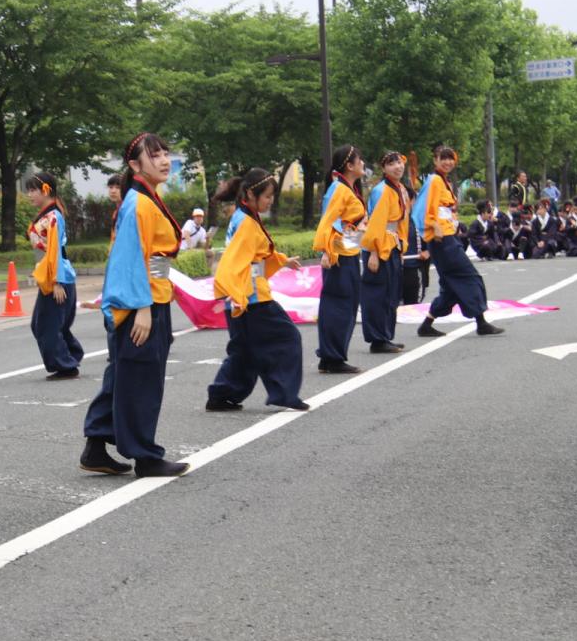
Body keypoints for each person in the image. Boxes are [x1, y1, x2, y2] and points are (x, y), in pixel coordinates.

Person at [80, 132, 188, 479]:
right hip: (142, 303)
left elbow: (151, 257)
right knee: (141, 378)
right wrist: (142, 306)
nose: (163, 160)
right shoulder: (139, 203)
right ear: (134, 163)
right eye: (154, 154)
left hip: (151, 295)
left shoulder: (145, 198)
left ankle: (97, 443)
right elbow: (130, 259)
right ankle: (145, 455)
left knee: (125, 373)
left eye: (165, 153)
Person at [205, 168, 307, 411]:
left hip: (243, 296)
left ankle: (221, 394)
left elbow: (255, 254)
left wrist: (282, 260)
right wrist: (237, 295)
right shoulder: (247, 222)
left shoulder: (243, 216)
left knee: (245, 349)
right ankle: (284, 393)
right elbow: (233, 263)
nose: (270, 201)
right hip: (249, 297)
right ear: (251, 194)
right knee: (287, 337)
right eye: (267, 196)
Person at [413, 145, 504, 338]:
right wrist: (433, 226)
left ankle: (427, 324)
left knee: (451, 285)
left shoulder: (442, 181)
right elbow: (426, 209)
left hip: (447, 237)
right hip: (441, 239)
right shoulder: (435, 181)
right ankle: (481, 322)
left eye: (450, 158)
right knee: (469, 276)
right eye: (443, 158)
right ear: (435, 160)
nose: (447, 162)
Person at [80, 174, 132, 475]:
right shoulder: (128, 211)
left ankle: (98, 442)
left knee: (119, 369)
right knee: (120, 370)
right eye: (110, 186)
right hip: (124, 299)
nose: (113, 191)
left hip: (120, 295)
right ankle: (98, 440)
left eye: (116, 186)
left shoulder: (126, 210)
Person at [312, 144, 367, 374]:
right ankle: (331, 356)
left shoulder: (349, 188)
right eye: (359, 160)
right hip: (338, 255)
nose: (363, 163)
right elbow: (329, 221)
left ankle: (333, 354)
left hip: (350, 251)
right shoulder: (339, 189)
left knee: (348, 304)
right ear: (349, 165)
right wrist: (327, 250)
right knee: (338, 304)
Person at [26, 171, 83, 380]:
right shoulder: (47, 215)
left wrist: (57, 281)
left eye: (33, 190)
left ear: (46, 190)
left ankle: (66, 364)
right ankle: (70, 357)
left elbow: (55, 250)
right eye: (28, 190)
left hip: (58, 279)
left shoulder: (53, 217)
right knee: (47, 324)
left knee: (45, 325)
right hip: (51, 277)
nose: (29, 195)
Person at [358, 152, 411, 354]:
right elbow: (375, 223)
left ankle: (386, 334)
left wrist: (402, 247)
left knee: (391, 293)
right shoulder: (381, 191)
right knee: (377, 293)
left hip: (393, 244)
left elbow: (403, 222)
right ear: (384, 168)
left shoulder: (400, 189)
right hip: (379, 247)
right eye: (391, 164)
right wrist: (372, 252)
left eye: (399, 162)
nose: (397, 166)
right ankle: (377, 338)